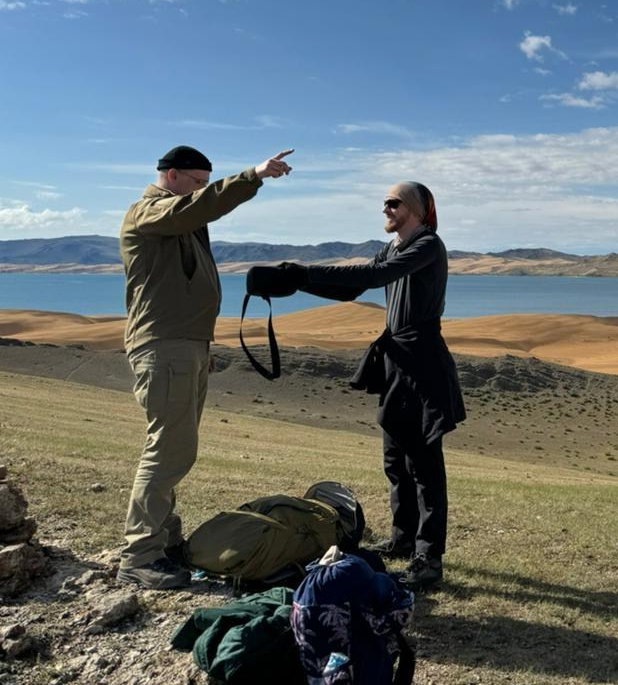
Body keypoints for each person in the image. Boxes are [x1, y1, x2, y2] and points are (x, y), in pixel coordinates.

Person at [117, 144, 294, 589]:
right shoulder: (148, 212)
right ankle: (140, 555)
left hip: (185, 346)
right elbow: (199, 208)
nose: (199, 192)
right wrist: (252, 176)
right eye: (196, 182)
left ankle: (164, 541)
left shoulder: (178, 219)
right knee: (168, 450)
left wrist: (200, 344)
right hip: (164, 346)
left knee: (176, 450)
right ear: (172, 175)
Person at [277, 181, 465, 590]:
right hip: (396, 361)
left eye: (393, 203)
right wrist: (295, 282)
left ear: (415, 209)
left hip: (424, 364)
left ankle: (428, 558)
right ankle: (401, 538)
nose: (386, 208)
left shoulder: (427, 245)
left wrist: (304, 272)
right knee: (395, 459)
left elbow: (378, 274)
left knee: (425, 466)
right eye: (385, 202)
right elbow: (354, 288)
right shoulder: (394, 246)